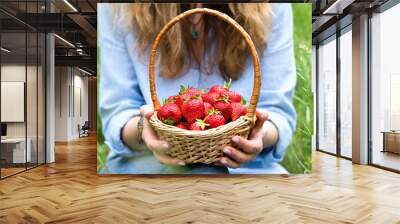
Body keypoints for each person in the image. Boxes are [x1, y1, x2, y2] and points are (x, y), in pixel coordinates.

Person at [98, 3, 296, 174]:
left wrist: (257, 134)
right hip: (148, 163)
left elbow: (277, 112)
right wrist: (145, 129)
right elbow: (119, 112)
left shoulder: (270, 6)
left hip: (247, 168)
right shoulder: (118, 8)